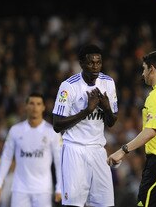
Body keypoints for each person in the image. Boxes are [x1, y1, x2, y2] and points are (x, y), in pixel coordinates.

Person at [107, 1, 156, 207]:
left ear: (151, 69)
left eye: (144, 69)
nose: (142, 73)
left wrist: (122, 150)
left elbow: (151, 131)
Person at [52, 44, 118, 207]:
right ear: (81, 64)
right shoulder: (68, 86)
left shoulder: (108, 83)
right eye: (91, 63)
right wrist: (87, 110)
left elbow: (111, 122)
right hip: (75, 150)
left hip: (98, 150)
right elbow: (57, 124)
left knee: (106, 204)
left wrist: (107, 108)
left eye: (98, 62)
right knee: (73, 204)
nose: (95, 67)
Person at [0, 92, 62, 207]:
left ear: (43, 107)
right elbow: (6, 157)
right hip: (20, 189)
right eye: (31, 103)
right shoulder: (15, 130)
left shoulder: (52, 132)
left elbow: (59, 160)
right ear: (26, 106)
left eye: (38, 104)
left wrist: (60, 187)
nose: (35, 107)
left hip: (43, 190)